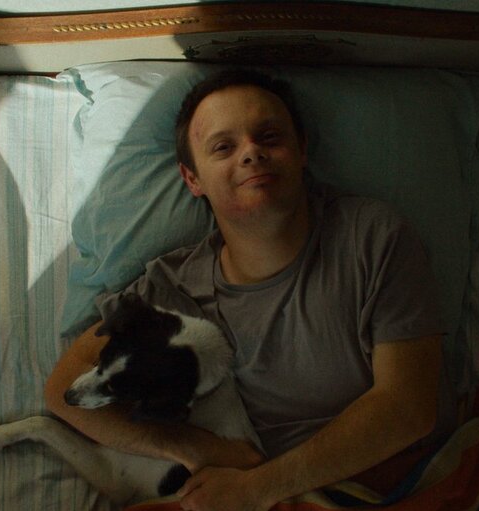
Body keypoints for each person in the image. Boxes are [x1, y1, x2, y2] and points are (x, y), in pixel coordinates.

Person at [44, 69, 452, 511]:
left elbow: (407, 408)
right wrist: (196, 448)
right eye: (223, 147)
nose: (251, 153)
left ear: (302, 151)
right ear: (192, 179)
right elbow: (62, 389)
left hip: (387, 483)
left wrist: (256, 488)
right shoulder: (172, 289)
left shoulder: (372, 238)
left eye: (269, 137)